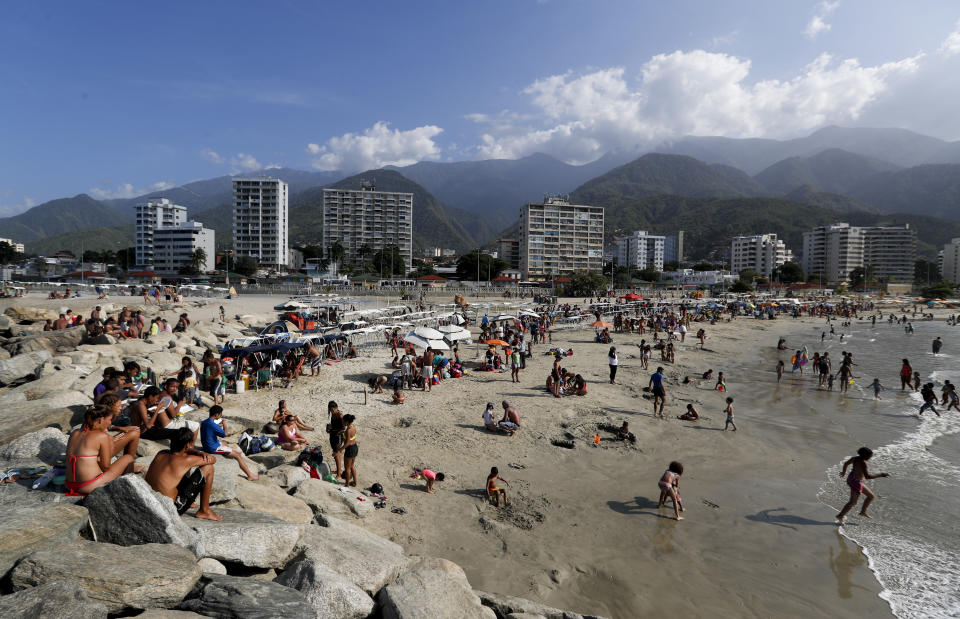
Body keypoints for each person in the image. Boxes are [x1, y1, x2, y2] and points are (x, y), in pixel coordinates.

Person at [144, 428, 221, 521]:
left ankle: (193, 504)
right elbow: (212, 460)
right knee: (208, 468)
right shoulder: (186, 460)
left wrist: (192, 450)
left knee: (178, 474)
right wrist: (198, 452)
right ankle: (204, 510)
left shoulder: (161, 453)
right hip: (171, 509)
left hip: (151, 502)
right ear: (188, 445)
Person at [65, 405, 140, 495]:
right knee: (128, 458)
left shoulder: (75, 433)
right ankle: (128, 490)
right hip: (88, 486)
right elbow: (106, 467)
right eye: (109, 420)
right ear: (101, 420)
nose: (109, 424)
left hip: (69, 485)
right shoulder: (101, 436)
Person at [200, 406, 258, 480]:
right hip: (212, 448)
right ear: (217, 414)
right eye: (220, 414)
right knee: (237, 455)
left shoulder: (204, 422)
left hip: (207, 444)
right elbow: (225, 434)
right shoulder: (213, 425)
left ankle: (228, 451)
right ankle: (250, 475)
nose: (221, 415)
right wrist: (224, 424)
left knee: (224, 443)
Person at [836, 447, 889, 523]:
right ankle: (840, 516)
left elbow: (846, 463)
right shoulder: (863, 463)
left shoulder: (855, 458)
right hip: (856, 482)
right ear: (866, 456)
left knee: (871, 496)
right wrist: (881, 474)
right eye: (870, 456)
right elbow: (868, 476)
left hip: (852, 478)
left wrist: (844, 472)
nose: (871, 457)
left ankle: (863, 512)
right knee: (853, 502)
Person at [342, 414, 358, 487]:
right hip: (355, 447)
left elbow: (347, 443)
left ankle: (347, 484)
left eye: (343, 421)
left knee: (347, 468)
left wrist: (340, 449)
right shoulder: (353, 427)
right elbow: (351, 437)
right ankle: (355, 483)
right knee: (352, 466)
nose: (342, 422)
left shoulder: (348, 430)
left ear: (347, 421)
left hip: (349, 449)